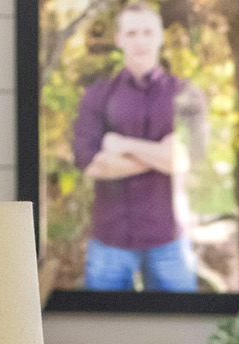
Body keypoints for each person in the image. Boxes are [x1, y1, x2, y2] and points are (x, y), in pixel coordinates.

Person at [72, 2, 209, 292]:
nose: (140, 41)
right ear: (119, 39)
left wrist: (121, 145)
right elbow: (91, 163)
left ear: (160, 36)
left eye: (148, 32)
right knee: (101, 330)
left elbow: (187, 158)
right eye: (132, 33)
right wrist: (160, 154)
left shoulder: (185, 95)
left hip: (169, 240)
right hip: (109, 240)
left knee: (180, 331)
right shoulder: (98, 96)